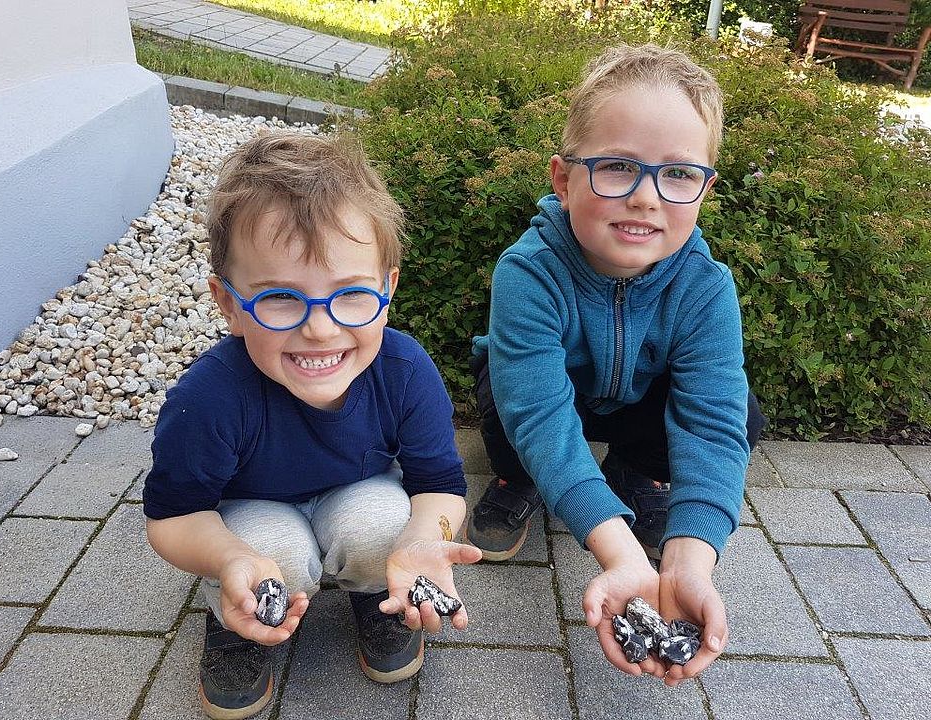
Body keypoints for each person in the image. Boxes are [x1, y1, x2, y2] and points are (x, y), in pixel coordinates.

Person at [143, 131, 481, 720]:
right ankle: (238, 621)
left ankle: (380, 592)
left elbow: (438, 484)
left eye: (351, 295)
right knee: (269, 548)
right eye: (280, 299)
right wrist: (227, 560)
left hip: (357, 492)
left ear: (388, 287)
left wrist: (425, 538)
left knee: (385, 523)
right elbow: (173, 519)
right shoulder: (207, 401)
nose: (321, 330)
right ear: (227, 303)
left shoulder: (404, 370)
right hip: (251, 512)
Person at [465, 44, 767, 686]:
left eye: (678, 174)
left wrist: (693, 554)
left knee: (743, 414)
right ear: (563, 180)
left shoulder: (706, 287)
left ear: (705, 189)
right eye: (617, 168)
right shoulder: (528, 273)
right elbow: (542, 416)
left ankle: (635, 474)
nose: (645, 198)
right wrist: (619, 551)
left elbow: (712, 424)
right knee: (512, 414)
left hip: (634, 403)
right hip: (549, 400)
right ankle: (521, 478)